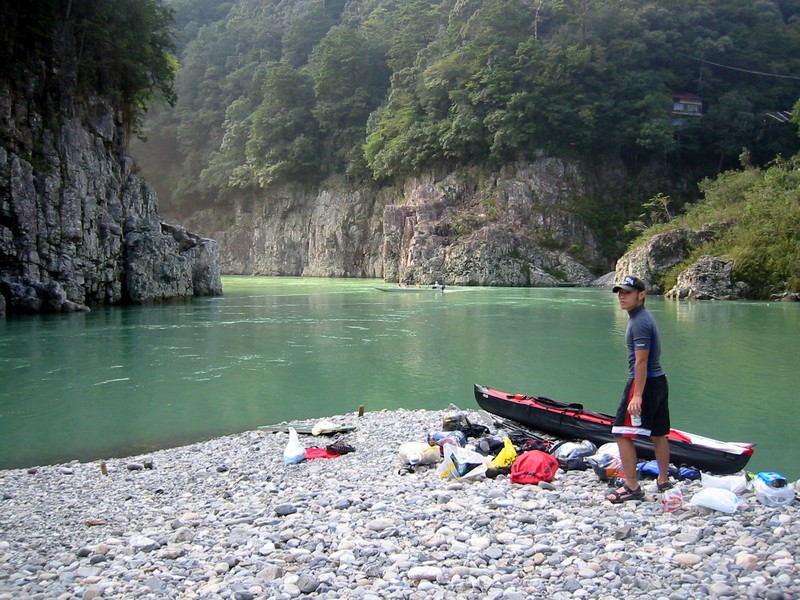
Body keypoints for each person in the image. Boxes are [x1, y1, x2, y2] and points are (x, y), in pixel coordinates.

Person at [606, 275, 673, 503]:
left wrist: (636, 395)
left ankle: (632, 486)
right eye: (620, 293)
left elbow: (641, 361)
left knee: (621, 433)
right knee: (658, 433)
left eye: (627, 293)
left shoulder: (640, 321)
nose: (622, 297)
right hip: (659, 381)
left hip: (644, 382)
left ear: (641, 295)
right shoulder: (641, 317)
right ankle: (663, 480)